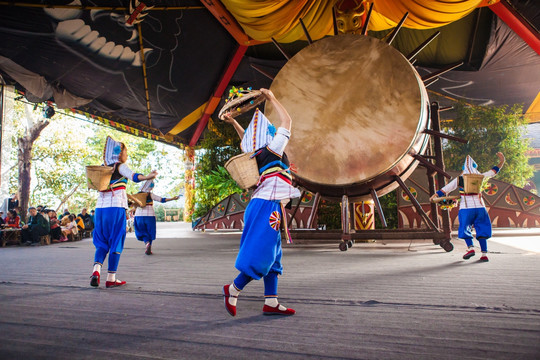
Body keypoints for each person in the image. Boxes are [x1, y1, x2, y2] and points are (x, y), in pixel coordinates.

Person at [221, 88, 301, 316]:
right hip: (266, 205)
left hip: (265, 204)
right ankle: (234, 289)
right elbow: (288, 120)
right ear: (270, 136)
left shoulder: (256, 153)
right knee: (263, 252)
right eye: (272, 131)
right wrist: (272, 97)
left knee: (274, 255)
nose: (276, 131)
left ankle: (271, 302)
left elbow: (245, 140)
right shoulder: (273, 148)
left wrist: (234, 124)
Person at [90, 136, 157, 289]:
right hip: (115, 209)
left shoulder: (103, 167)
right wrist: (148, 176)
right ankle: (111, 278)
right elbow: (135, 177)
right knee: (116, 241)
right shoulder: (120, 166)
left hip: (100, 210)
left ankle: (96, 271)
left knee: (101, 242)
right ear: (120, 154)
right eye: (126, 152)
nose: (126, 155)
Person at [431, 152, 505, 262]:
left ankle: (471, 248)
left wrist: (435, 195)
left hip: (466, 208)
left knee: (465, 228)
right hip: (480, 208)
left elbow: (446, 189)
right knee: (482, 229)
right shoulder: (480, 176)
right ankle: (484, 254)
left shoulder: (459, 179)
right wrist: (502, 161)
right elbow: (493, 171)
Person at [134, 179, 180, 255]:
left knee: (141, 232)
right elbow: (161, 199)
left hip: (138, 216)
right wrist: (172, 198)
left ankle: (147, 243)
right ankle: (149, 246)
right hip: (150, 216)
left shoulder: (137, 195)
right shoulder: (150, 195)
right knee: (150, 232)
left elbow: (132, 204)